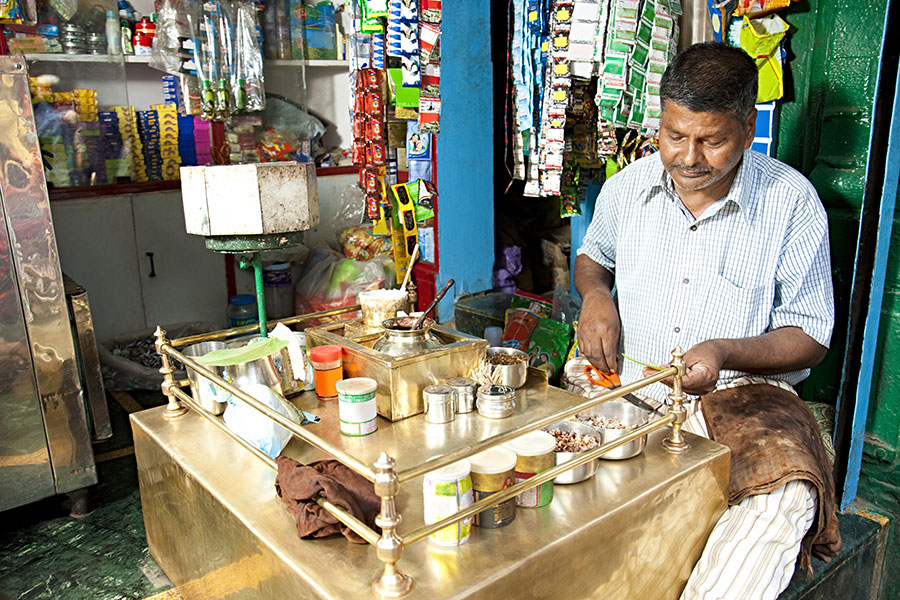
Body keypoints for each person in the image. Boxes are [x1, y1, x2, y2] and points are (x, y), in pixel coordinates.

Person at [572, 42, 841, 600]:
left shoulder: (791, 203)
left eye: (712, 140)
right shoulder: (627, 188)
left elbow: (811, 336)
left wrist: (724, 351)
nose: (688, 157)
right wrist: (596, 295)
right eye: (675, 135)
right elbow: (593, 258)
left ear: (747, 128)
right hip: (630, 385)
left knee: (777, 504)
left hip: (745, 398)